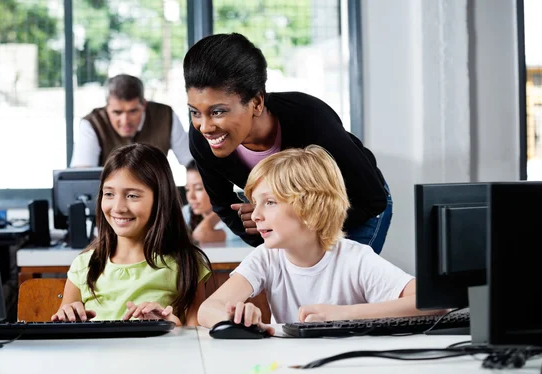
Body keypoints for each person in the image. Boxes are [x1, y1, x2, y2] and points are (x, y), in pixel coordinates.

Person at [184, 33, 392, 254]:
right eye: (195, 112)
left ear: (256, 103)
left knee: (337, 286)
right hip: (297, 222)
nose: (205, 127)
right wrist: (265, 237)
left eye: (218, 111)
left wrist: (283, 217)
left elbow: (372, 199)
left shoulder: (312, 121)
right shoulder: (202, 139)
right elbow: (223, 204)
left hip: (357, 207)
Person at [197, 146, 438, 333]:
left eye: (269, 202)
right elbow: (208, 309)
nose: (256, 215)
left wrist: (342, 315)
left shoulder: (354, 259)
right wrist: (237, 320)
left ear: (309, 208)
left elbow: (433, 302)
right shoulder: (266, 258)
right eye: (255, 203)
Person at [52, 143, 211, 325]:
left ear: (160, 200)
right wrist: (67, 317)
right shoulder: (84, 265)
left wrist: (172, 327)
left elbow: (197, 341)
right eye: (109, 194)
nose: (118, 208)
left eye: (132, 196)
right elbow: (65, 335)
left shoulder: (187, 263)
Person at [70, 74, 193, 168]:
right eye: (117, 112)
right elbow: (82, 174)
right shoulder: (92, 124)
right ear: (106, 107)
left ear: (144, 105)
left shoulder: (165, 115)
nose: (125, 121)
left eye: (133, 111)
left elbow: (191, 161)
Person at [183, 160, 237, 243]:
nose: (191, 197)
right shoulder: (186, 212)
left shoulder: (236, 222)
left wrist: (221, 210)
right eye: (187, 189)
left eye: (198, 188)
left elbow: (200, 235)